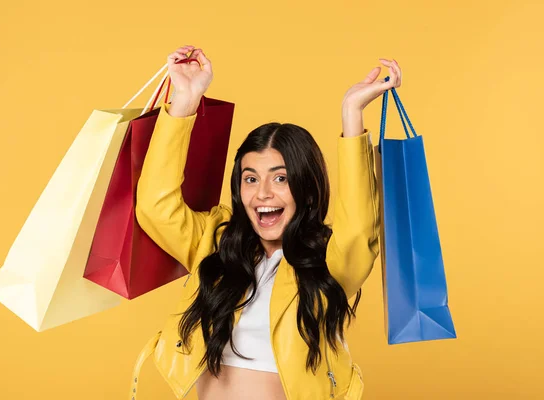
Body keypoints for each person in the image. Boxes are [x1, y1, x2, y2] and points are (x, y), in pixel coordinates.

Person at [133, 45, 402, 400]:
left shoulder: (326, 263)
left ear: (306, 190)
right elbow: (155, 206)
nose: (263, 193)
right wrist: (184, 100)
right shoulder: (216, 242)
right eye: (250, 178)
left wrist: (352, 115)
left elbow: (358, 233)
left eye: (280, 178)